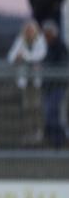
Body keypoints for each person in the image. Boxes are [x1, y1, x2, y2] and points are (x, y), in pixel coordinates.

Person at [8, 20, 47, 143]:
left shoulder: (41, 40)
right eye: (27, 30)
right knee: (26, 107)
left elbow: (40, 55)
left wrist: (23, 56)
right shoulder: (20, 40)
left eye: (32, 30)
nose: (29, 32)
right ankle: (28, 132)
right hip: (25, 81)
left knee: (36, 106)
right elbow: (11, 56)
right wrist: (17, 57)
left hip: (35, 81)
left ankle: (39, 131)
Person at [41, 20, 67, 148]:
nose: (45, 36)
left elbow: (60, 65)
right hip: (49, 87)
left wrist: (46, 67)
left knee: (53, 113)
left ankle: (59, 140)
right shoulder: (48, 47)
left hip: (57, 87)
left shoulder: (59, 47)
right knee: (49, 113)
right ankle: (55, 139)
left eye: (47, 34)